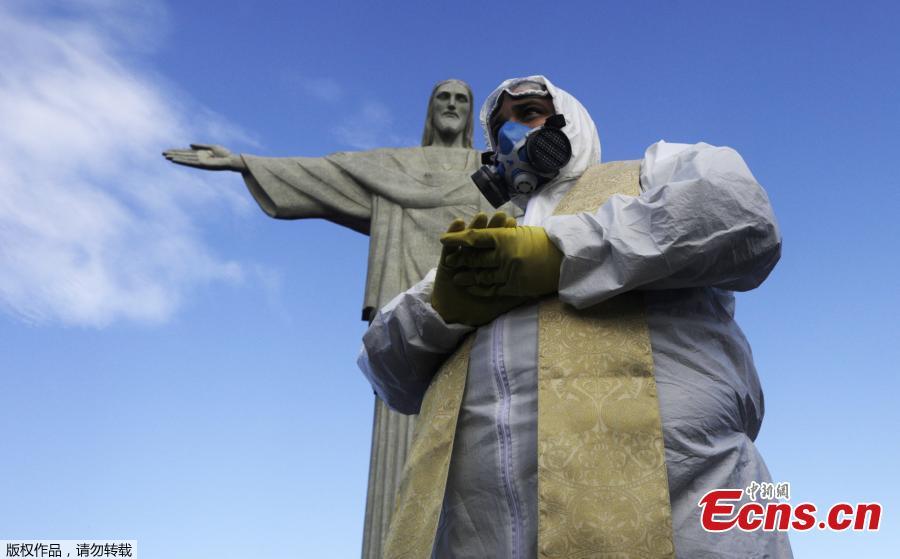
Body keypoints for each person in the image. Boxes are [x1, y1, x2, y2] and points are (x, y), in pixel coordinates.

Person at [358, 76, 793, 558]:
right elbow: (384, 370)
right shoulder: (478, 249)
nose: (510, 136)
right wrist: (443, 307)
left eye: (528, 114)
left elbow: (741, 215)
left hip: (683, 511)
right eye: (499, 127)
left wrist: (559, 252)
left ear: (572, 119)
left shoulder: (650, 173)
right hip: (477, 535)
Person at [163, 79, 519, 559]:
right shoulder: (394, 167)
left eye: (461, 100)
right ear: (430, 110)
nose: (452, 106)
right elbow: (324, 173)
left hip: (477, 322)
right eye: (443, 98)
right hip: (404, 330)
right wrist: (242, 162)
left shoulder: (490, 171)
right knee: (401, 451)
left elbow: (540, 212)